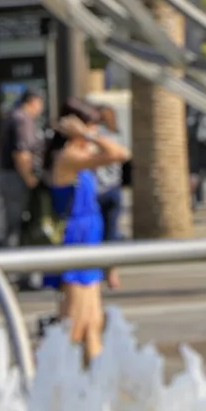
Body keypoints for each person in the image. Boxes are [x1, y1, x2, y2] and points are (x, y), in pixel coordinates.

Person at [43, 100, 129, 364]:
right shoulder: (68, 157)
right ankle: (49, 374)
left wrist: (86, 135)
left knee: (94, 321)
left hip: (89, 237)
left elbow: (120, 152)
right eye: (91, 126)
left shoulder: (79, 154)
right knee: (74, 323)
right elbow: (119, 154)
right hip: (76, 238)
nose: (95, 132)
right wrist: (84, 135)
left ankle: (96, 378)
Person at [0, 90, 44, 248]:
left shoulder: (14, 116)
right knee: (16, 223)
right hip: (17, 177)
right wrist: (30, 178)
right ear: (33, 101)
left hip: (11, 176)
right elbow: (21, 153)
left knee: (14, 222)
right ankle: (13, 258)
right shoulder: (22, 119)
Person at [92, 104, 126, 290]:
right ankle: (112, 272)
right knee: (111, 232)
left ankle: (100, 270)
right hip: (113, 189)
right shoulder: (117, 136)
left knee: (97, 233)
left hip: (97, 190)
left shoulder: (96, 137)